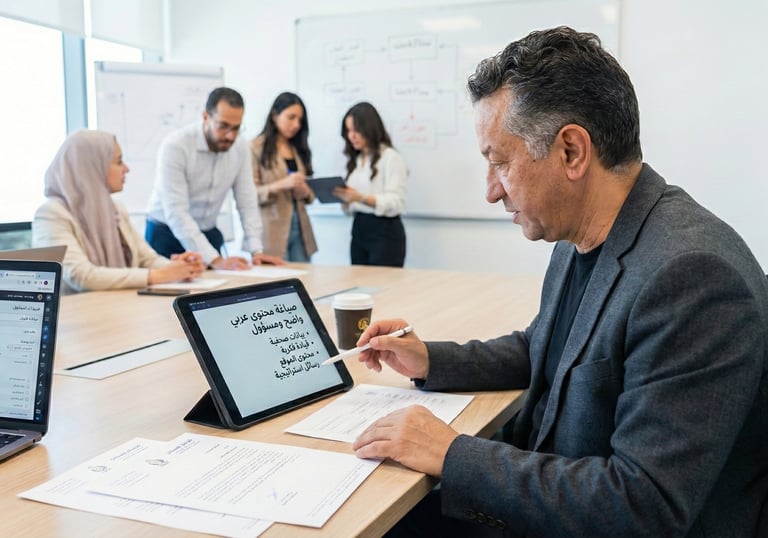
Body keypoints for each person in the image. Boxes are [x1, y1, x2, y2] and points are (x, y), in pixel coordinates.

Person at [351, 27, 768, 537]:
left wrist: (453, 453)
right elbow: (547, 349)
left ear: (571, 151)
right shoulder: (585, 234)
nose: (490, 191)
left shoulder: (691, 277)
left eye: (500, 162)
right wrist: (432, 358)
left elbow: (643, 505)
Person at [32, 129, 205, 293]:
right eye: (119, 161)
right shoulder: (51, 214)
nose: (126, 169)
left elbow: (147, 259)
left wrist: (180, 268)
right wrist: (158, 276)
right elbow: (81, 276)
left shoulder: (115, 209)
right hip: (78, 315)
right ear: (92, 166)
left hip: (119, 305)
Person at [145, 87, 284, 269]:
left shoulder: (239, 146)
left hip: (207, 231)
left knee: (216, 292)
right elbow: (177, 212)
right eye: (223, 126)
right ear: (205, 117)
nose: (230, 135)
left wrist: (256, 251)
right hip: (166, 233)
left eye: (236, 128)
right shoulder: (176, 146)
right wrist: (216, 261)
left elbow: (246, 200)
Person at [333, 102, 407, 267]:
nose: (352, 136)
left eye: (356, 130)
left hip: (384, 231)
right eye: (348, 131)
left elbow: (396, 202)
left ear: (369, 129)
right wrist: (346, 199)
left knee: (383, 285)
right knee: (359, 285)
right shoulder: (356, 161)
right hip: (359, 228)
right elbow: (351, 206)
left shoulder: (390, 157)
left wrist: (360, 197)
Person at [250, 92, 317, 262]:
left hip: (300, 228)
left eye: (300, 120)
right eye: (291, 117)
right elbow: (249, 195)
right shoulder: (255, 147)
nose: (296, 125)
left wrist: (305, 192)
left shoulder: (299, 148)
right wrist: (281, 185)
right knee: (276, 283)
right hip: (271, 230)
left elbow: (310, 194)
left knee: (305, 280)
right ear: (274, 115)